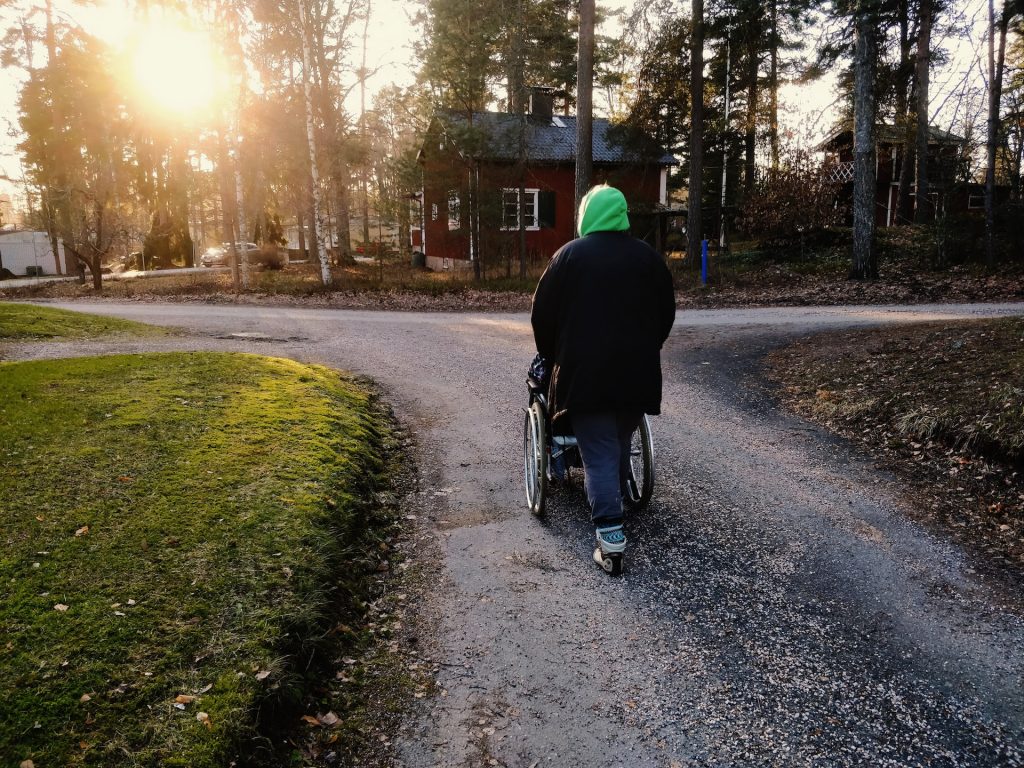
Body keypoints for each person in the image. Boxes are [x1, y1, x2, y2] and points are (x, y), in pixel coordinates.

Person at [531, 184, 675, 574]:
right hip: (637, 377)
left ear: (586, 217)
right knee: (614, 443)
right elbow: (666, 314)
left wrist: (552, 356)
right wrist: (648, 347)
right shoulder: (649, 259)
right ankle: (616, 497)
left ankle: (611, 544)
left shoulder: (567, 258)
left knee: (597, 456)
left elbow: (542, 317)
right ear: (622, 215)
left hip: (584, 376)